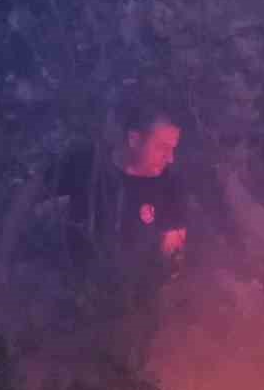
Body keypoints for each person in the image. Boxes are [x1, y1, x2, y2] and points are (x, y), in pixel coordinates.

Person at [56, 107, 189, 273]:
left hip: (137, 290)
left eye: (173, 149)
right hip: (77, 285)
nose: (170, 158)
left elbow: (172, 255)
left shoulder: (170, 185)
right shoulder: (89, 167)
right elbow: (30, 194)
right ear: (134, 140)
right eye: (162, 147)